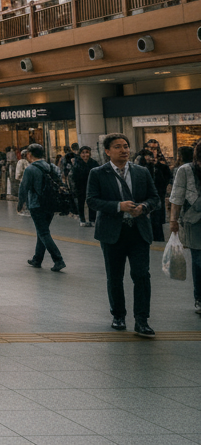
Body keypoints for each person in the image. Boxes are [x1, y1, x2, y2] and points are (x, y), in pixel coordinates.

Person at [87, 133, 161, 336]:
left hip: (138, 231)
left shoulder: (141, 171)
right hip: (112, 233)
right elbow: (92, 200)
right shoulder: (98, 173)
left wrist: (144, 207)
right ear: (107, 151)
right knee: (115, 276)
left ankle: (142, 320)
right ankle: (118, 315)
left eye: (126, 146)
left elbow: (154, 197)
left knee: (141, 275)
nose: (124, 150)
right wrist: (118, 206)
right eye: (118, 147)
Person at [19, 143, 67, 272]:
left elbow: (24, 188)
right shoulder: (52, 167)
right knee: (42, 231)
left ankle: (58, 259)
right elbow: (60, 184)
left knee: (43, 232)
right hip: (51, 204)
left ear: (29, 154)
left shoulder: (30, 169)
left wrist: (20, 204)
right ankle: (37, 258)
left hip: (36, 204)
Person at [167, 145, 201, 315]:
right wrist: (173, 220)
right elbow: (177, 196)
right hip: (194, 221)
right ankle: (199, 298)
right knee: (199, 260)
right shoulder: (185, 170)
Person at [70, 146, 99, 226]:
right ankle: (82, 220)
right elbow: (73, 177)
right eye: (83, 153)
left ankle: (92, 219)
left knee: (92, 203)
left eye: (87, 152)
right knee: (81, 203)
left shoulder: (94, 163)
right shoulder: (77, 164)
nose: (85, 155)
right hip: (80, 187)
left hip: (92, 186)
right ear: (80, 154)